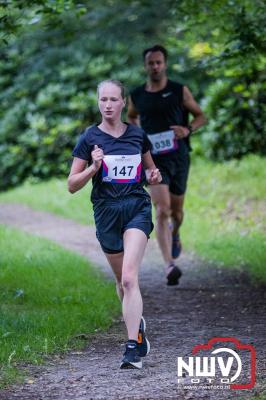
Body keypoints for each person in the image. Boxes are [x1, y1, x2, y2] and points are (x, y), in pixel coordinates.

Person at [68, 79, 162, 369]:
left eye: (113, 99)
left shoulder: (137, 135)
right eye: (103, 100)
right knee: (122, 282)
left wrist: (154, 176)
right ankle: (138, 327)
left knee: (130, 278)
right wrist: (94, 168)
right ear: (98, 103)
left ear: (123, 103)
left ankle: (133, 346)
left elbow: (149, 170)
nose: (107, 105)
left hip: (136, 207)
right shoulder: (89, 138)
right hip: (106, 212)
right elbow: (72, 184)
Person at [127, 45, 207, 286]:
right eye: (151, 63)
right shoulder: (137, 94)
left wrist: (187, 129)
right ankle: (169, 264)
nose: (155, 67)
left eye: (159, 62)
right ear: (145, 65)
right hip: (153, 159)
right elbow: (131, 116)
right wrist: (138, 131)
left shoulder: (178, 90)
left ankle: (176, 232)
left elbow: (201, 116)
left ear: (165, 64)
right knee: (162, 210)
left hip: (179, 156)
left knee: (176, 212)